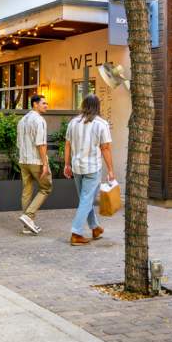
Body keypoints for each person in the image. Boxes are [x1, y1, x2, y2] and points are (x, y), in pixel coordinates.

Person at [64, 94, 115, 246]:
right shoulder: (101, 123)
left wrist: (66, 164)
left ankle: (95, 228)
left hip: (77, 166)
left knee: (85, 200)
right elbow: (105, 148)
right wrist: (111, 169)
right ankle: (76, 233)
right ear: (98, 106)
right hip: (92, 167)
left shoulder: (73, 122)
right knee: (86, 200)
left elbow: (67, 144)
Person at [17, 94, 52, 235]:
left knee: (27, 191)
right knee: (46, 187)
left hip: (23, 161)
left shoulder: (22, 120)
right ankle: (28, 216)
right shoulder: (39, 120)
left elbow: (18, 143)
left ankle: (26, 226)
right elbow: (41, 144)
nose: (46, 106)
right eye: (43, 103)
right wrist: (45, 163)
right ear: (35, 104)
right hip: (35, 161)